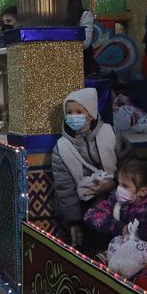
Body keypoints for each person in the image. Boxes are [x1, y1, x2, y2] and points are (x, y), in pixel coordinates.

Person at [52, 87, 130, 249]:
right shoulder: (61, 148)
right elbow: (65, 189)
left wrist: (114, 182)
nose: (73, 117)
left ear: (90, 113)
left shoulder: (111, 134)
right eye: (69, 113)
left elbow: (129, 164)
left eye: (79, 112)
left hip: (121, 198)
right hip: (87, 208)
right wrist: (74, 223)